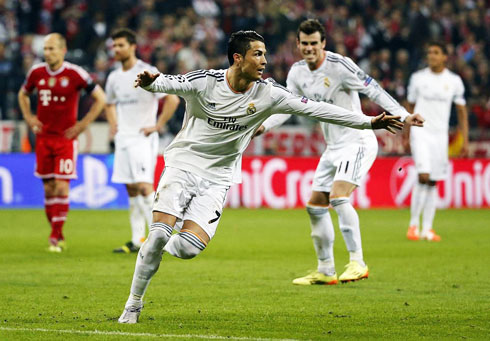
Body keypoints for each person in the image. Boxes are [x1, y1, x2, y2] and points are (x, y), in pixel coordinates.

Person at [118, 30, 405, 324]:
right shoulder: (206, 81)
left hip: (219, 177)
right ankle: (133, 304)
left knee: (189, 248)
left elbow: (319, 109)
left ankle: (155, 250)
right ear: (238, 58)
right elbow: (167, 82)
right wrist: (151, 84)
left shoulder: (268, 94)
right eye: (258, 54)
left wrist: (368, 122)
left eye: (265, 54)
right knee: (158, 234)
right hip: (183, 165)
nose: (265, 61)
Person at [255, 19, 424, 285]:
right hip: (332, 146)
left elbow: (373, 89)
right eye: (305, 44)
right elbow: (287, 108)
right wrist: (263, 126)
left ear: (323, 44)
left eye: (314, 43)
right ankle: (326, 269)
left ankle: (358, 262)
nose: (309, 48)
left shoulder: (340, 66)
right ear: (298, 45)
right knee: (315, 206)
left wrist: (403, 115)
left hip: (357, 141)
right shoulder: (297, 73)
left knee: (338, 197)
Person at [18, 33, 106, 252]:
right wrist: (29, 118)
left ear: (63, 50)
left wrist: (82, 125)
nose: (48, 53)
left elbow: (100, 99)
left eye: (52, 49)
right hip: (43, 138)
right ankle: (57, 232)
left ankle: (55, 236)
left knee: (61, 185)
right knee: (48, 189)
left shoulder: (75, 74)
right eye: (46, 49)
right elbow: (23, 94)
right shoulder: (36, 73)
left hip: (66, 139)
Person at [105, 28, 180, 254]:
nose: (116, 49)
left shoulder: (147, 71)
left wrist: (157, 125)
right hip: (123, 138)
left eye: (121, 45)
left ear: (132, 46)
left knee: (144, 186)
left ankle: (158, 240)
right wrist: (113, 125)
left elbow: (172, 99)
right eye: (114, 46)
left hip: (142, 137)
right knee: (131, 189)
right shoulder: (114, 77)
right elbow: (109, 102)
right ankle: (138, 239)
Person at [404, 41, 468, 242]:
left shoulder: (454, 81)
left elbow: (461, 111)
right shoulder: (418, 78)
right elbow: (409, 106)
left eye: (436, 53)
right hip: (420, 132)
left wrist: (464, 138)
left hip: (440, 136)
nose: (431, 56)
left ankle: (427, 229)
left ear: (444, 57)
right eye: (429, 52)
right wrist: (406, 133)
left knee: (433, 180)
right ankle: (413, 225)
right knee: (423, 175)